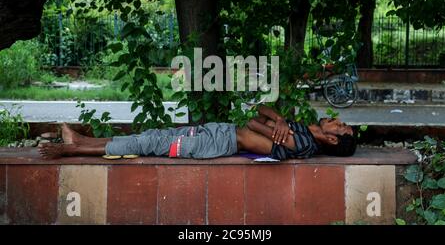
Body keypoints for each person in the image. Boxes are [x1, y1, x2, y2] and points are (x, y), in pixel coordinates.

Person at [38, 105, 356, 160]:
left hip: (214, 143)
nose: (336, 120)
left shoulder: (300, 141)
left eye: (340, 127)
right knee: (150, 136)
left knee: (147, 144)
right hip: (216, 134)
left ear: (331, 139)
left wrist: (275, 120)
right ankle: (81, 140)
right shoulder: (297, 129)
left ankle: (75, 149)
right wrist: (278, 118)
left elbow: (248, 124)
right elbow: (258, 112)